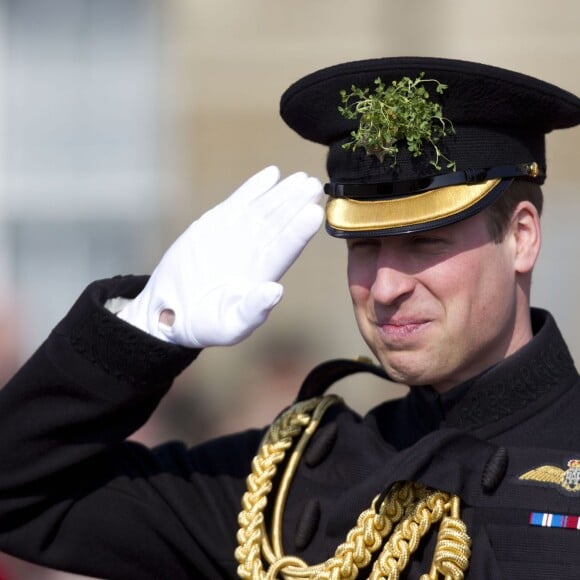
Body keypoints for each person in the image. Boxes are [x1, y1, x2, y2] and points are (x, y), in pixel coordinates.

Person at [0, 56, 579, 580]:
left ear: (521, 237)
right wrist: (151, 325)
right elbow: (19, 494)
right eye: (363, 246)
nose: (384, 287)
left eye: (424, 243)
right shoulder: (291, 481)